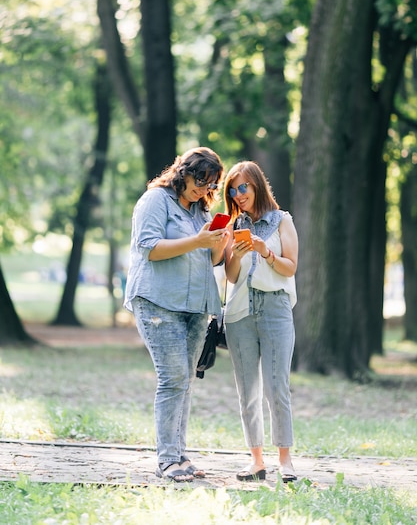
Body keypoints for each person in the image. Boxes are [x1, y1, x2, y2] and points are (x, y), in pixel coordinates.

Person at [123, 147, 229, 482]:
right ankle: (167, 459)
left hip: (196, 306)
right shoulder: (156, 200)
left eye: (210, 184)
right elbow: (149, 248)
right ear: (183, 172)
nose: (204, 189)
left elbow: (210, 261)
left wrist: (216, 242)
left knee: (184, 380)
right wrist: (198, 240)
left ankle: (180, 454)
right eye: (200, 181)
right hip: (158, 302)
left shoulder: (200, 210)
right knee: (171, 379)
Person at [223, 161, 298, 483]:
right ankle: (256, 461)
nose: (238, 195)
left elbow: (290, 268)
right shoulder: (232, 224)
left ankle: (286, 460)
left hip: (275, 309)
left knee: (276, 387)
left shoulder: (282, 220)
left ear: (257, 186)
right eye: (233, 190)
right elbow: (230, 276)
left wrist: (266, 252)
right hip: (239, 313)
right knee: (247, 391)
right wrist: (236, 255)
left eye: (244, 188)